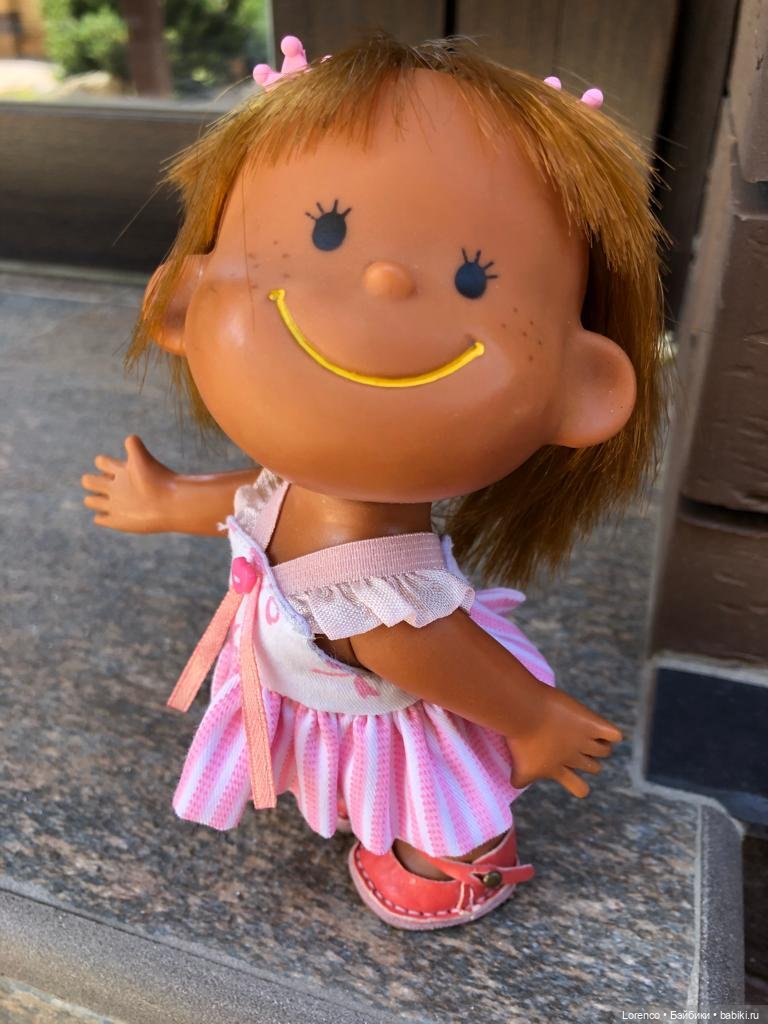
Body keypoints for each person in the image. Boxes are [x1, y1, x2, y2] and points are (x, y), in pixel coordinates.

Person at [82, 34, 664, 929]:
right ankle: (380, 805)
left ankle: (463, 854)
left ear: (582, 386)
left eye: (472, 277)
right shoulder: (305, 499)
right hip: (329, 682)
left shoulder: (381, 594)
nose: (386, 280)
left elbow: (421, 651)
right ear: (184, 299)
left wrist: (530, 716)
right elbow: (261, 506)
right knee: (370, 748)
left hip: (401, 697)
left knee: (439, 770)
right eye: (325, 233)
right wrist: (168, 503)